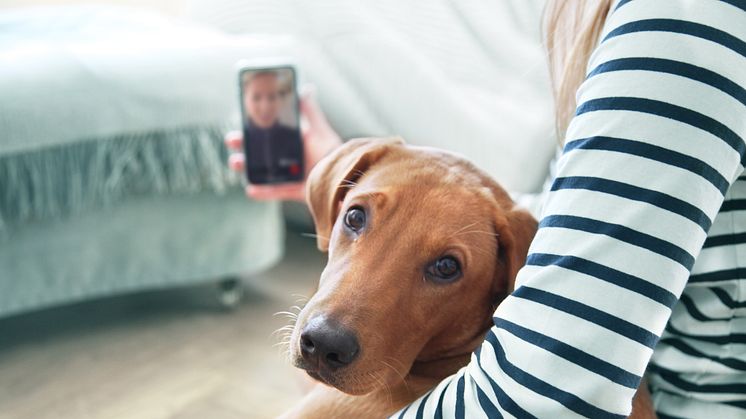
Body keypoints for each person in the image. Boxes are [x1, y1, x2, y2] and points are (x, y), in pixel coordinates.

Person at [227, 0, 746, 416]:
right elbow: (590, 226)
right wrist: (348, 172)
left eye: (444, 268)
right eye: (356, 218)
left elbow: (551, 395)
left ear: (507, 284)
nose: (330, 327)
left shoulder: (683, 26)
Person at [241, 70, 304, 180]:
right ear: (244, 99)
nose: (265, 107)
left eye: (272, 97)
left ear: (281, 100)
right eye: (256, 97)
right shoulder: (240, 142)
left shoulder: (295, 137)